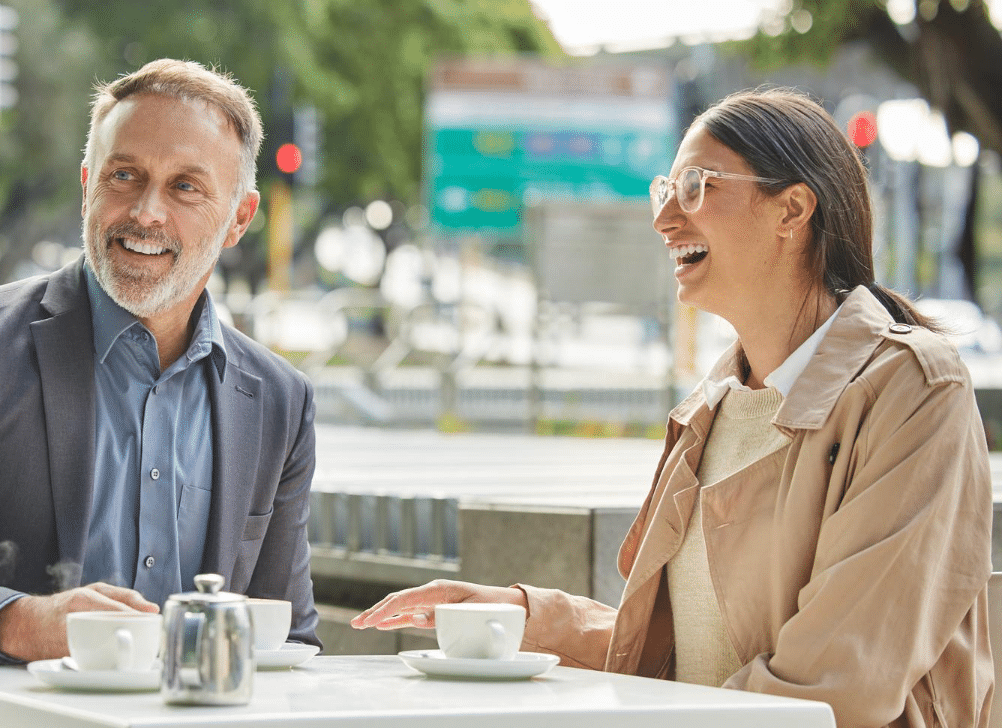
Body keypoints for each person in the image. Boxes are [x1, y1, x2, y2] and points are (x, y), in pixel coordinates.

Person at [352, 88, 992, 728]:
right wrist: (523, 617)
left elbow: (833, 685)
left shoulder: (913, 392)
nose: (664, 219)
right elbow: (687, 661)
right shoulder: (711, 407)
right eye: (666, 190)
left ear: (792, 209)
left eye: (696, 187)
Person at [0, 58, 319, 725]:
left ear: (240, 217)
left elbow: (287, 636)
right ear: (86, 185)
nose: (145, 212)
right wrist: (24, 623)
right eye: (124, 176)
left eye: (185, 186)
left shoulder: (279, 400)